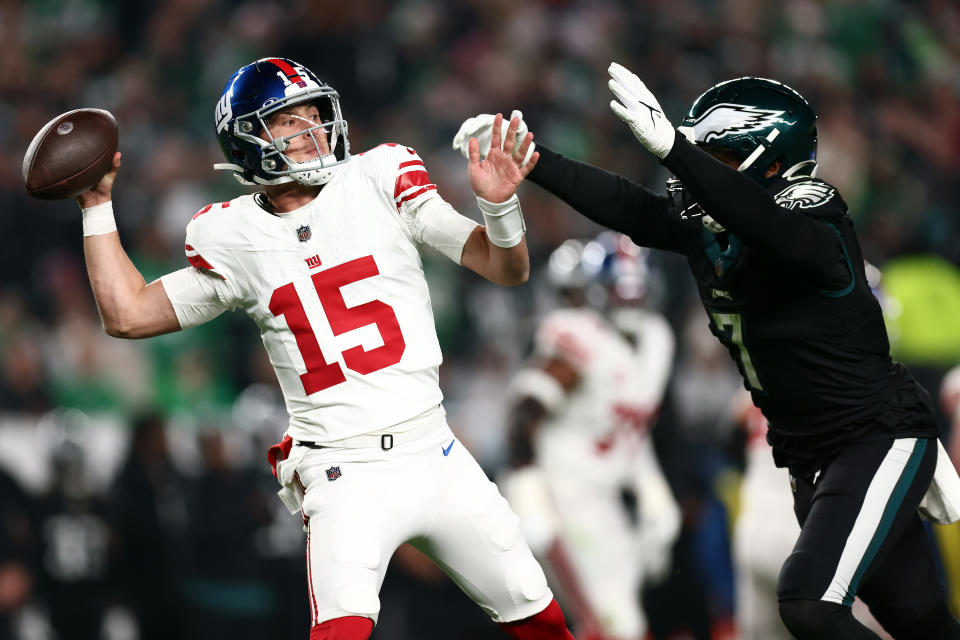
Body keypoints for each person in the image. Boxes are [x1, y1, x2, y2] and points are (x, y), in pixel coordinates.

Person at [72, 57, 575, 640]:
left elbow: (504, 266)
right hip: (344, 470)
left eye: (314, 112)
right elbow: (126, 314)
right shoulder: (232, 236)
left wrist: (499, 205)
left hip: (435, 449)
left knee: (543, 621)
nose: (313, 127)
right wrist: (95, 206)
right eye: (289, 120)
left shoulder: (380, 178)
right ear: (250, 141)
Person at [455, 63, 960, 639]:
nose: (694, 174)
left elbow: (774, 230)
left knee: (809, 603)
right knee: (921, 623)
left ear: (768, 161)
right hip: (808, 455)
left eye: (714, 156)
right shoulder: (711, 228)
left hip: (875, 436)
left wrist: (674, 148)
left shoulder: (812, 208)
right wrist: (533, 159)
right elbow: (631, 207)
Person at [500, 232, 680, 640]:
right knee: (613, 623)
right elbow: (524, 414)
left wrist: (654, 496)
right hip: (563, 492)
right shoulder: (579, 332)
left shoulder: (657, 340)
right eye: (621, 292)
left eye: (639, 292)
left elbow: (632, 431)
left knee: (618, 615)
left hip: (606, 497)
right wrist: (528, 491)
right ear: (596, 292)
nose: (631, 302)